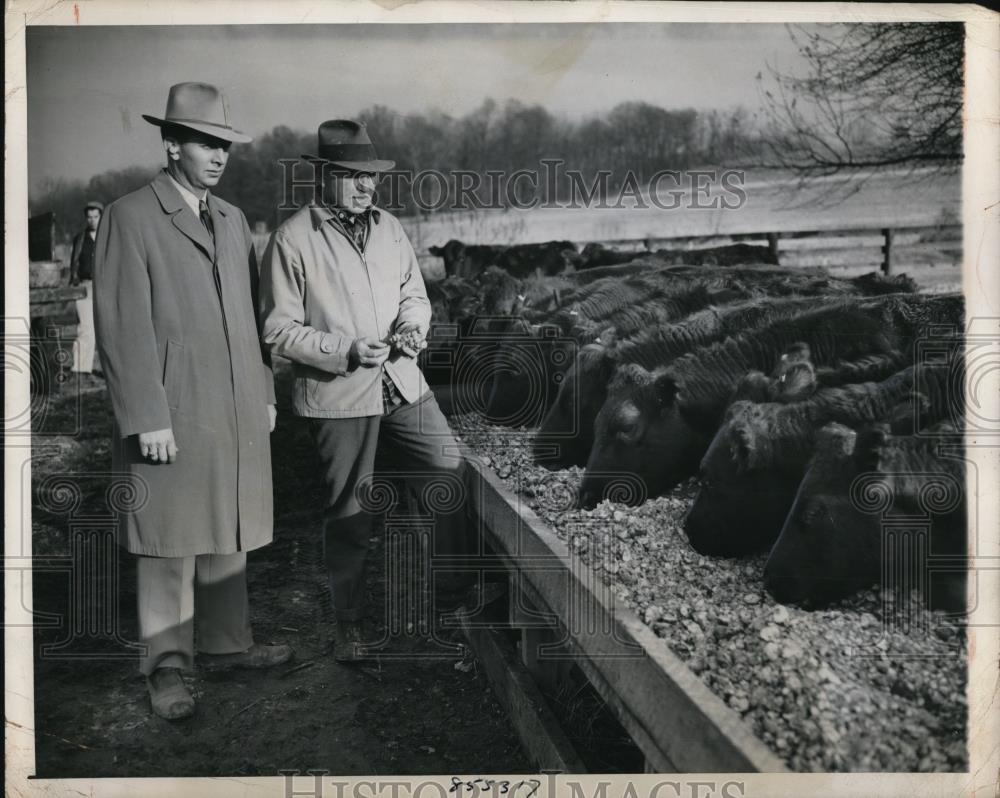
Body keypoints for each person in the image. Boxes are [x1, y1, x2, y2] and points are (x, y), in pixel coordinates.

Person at [94, 82, 292, 721]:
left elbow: (251, 316)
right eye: (205, 143)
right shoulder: (131, 215)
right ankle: (167, 668)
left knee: (225, 524)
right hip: (172, 407)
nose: (218, 156)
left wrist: (263, 392)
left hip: (232, 403)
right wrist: (146, 414)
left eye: (224, 145)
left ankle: (228, 646)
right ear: (171, 143)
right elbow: (122, 326)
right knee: (167, 540)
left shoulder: (232, 220)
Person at [260, 120, 484, 662]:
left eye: (372, 178)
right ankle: (349, 624)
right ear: (325, 175)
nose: (367, 187)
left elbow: (415, 292)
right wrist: (345, 351)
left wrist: (414, 327)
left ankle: (458, 594)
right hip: (338, 395)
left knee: (448, 467)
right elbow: (277, 329)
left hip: (402, 381)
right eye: (354, 177)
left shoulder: (388, 228)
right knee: (350, 508)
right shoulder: (292, 239)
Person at [69, 200, 103, 374]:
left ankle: (107, 371)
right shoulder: (80, 239)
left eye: (95, 217)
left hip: (105, 287)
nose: (92, 220)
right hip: (85, 286)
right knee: (86, 328)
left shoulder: (109, 236)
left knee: (106, 329)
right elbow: (73, 264)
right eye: (89, 217)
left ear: (101, 217)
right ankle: (80, 370)